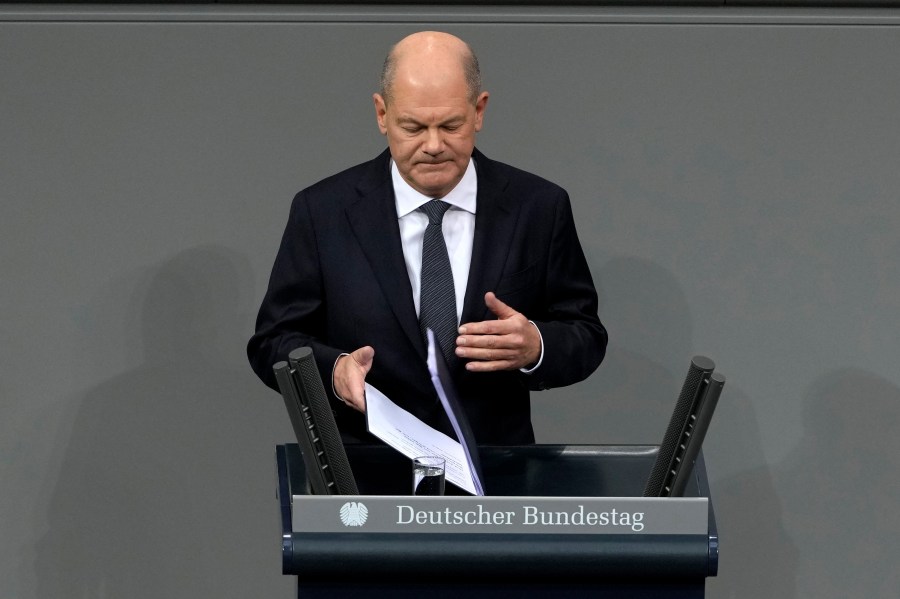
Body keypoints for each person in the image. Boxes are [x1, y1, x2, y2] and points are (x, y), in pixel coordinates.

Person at [248, 31, 607, 444]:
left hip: (495, 477)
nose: (433, 145)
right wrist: (333, 370)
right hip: (367, 479)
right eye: (413, 127)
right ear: (382, 115)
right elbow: (272, 342)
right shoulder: (322, 212)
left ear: (479, 111)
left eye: (451, 125)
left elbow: (584, 334)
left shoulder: (538, 207)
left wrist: (536, 346)